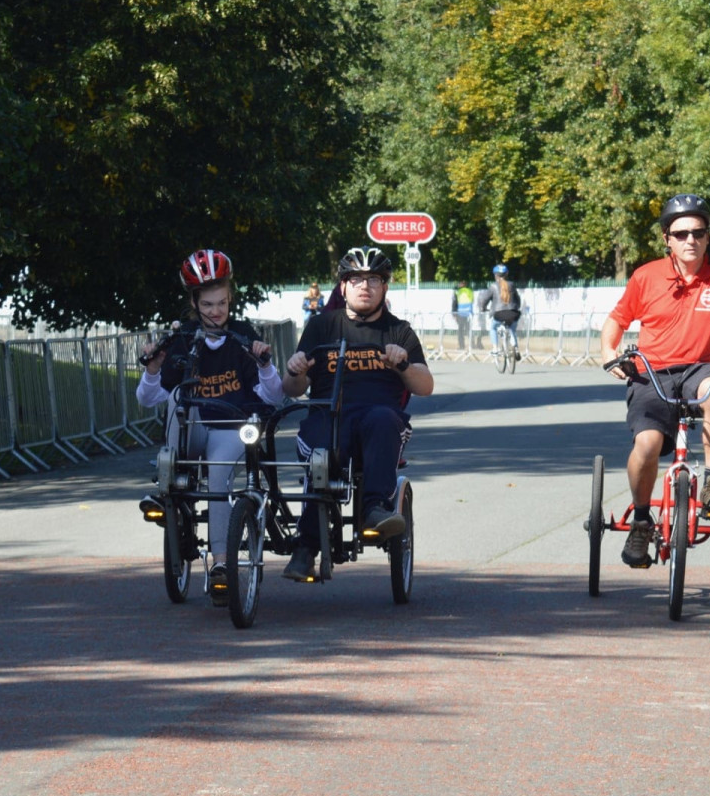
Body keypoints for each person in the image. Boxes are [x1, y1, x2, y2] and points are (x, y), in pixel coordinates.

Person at [599, 194, 710, 568]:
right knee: (647, 444)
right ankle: (642, 520)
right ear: (667, 239)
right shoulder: (646, 276)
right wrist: (609, 353)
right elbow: (615, 322)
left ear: (708, 237)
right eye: (682, 233)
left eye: (699, 232)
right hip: (651, 372)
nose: (691, 239)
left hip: (698, 369)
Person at [136, 249, 284, 604]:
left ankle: (220, 565)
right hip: (194, 428)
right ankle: (168, 482)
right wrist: (153, 368)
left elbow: (274, 395)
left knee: (218, 479)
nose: (216, 312)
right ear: (194, 303)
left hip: (232, 430)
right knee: (174, 399)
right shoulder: (183, 340)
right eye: (207, 305)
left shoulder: (245, 336)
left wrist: (264, 364)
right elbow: (148, 398)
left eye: (221, 303)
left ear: (230, 298)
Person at [280, 246, 434, 581]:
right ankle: (306, 545)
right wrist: (295, 371)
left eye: (374, 279)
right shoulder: (322, 326)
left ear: (385, 288)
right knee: (320, 449)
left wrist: (403, 363)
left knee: (382, 420)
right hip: (327, 415)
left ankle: (374, 510)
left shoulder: (399, 331)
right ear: (343, 287)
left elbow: (425, 386)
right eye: (356, 279)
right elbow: (291, 389)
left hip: (379, 419)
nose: (365, 286)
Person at [476, 264, 522, 360]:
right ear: (507, 274)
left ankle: (495, 348)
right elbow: (518, 299)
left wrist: (483, 308)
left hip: (499, 314)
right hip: (513, 313)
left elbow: (485, 299)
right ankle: (516, 348)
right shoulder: (512, 284)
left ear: (495, 275)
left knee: (493, 328)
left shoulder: (493, 286)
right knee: (512, 329)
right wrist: (516, 308)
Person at [451, 281, 474, 350]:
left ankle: (461, 346)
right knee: (468, 330)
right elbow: (472, 301)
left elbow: (454, 303)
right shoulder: (470, 291)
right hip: (469, 313)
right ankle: (472, 345)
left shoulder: (457, 292)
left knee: (460, 331)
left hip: (460, 313)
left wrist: (454, 313)